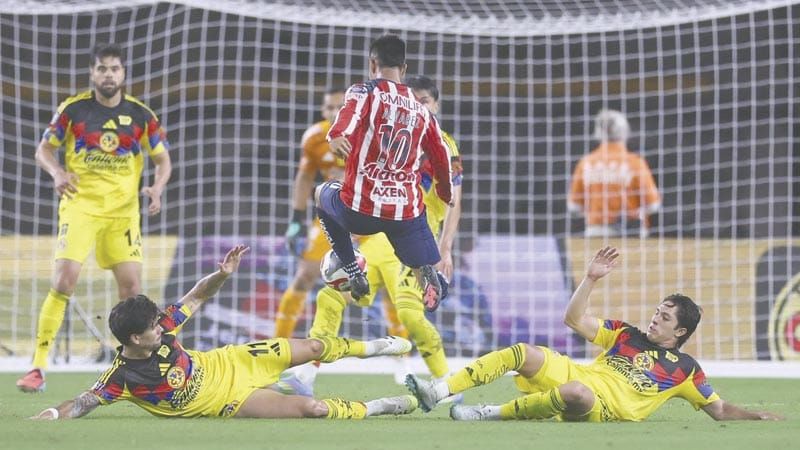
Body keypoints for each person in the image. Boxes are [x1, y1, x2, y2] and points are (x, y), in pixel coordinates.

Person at [30, 245, 418, 420]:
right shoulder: (121, 379)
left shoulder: (162, 326)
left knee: (315, 345)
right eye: (151, 327)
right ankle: (378, 407)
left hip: (234, 359)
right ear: (133, 339)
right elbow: (82, 402)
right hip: (229, 402)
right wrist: (50, 413)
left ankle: (377, 346)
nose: (160, 327)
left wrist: (222, 274)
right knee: (313, 409)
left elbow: (196, 296)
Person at [406, 247, 783, 422]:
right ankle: (438, 391)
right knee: (522, 351)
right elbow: (574, 320)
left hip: (602, 407)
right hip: (577, 373)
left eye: (664, 318)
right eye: (656, 312)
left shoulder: (685, 369)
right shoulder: (625, 334)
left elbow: (718, 409)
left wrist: (755, 416)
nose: (654, 320)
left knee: (575, 393)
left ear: (680, 331)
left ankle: (488, 414)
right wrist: (589, 279)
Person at [283, 75, 464, 393]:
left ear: (436, 105)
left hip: (412, 235)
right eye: (414, 99)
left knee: (410, 316)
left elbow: (454, 199)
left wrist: (445, 247)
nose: (418, 106)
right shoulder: (388, 133)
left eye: (425, 101)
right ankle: (306, 374)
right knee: (331, 296)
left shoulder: (444, 144)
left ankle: (447, 386)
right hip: (376, 237)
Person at [17, 43, 173, 393]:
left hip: (122, 214)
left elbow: (163, 160)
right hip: (80, 207)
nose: (108, 75)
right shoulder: (74, 111)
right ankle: (38, 367)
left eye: (115, 69)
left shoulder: (141, 116)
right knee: (64, 280)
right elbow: (43, 149)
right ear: (93, 73)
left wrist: (158, 187)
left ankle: (131, 367)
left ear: (123, 73)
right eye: (102, 69)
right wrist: (57, 173)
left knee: (132, 289)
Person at [315, 34, 453, 311]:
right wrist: (445, 191)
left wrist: (336, 134)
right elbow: (441, 155)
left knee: (322, 194)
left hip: (360, 211)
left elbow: (349, 115)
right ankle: (426, 274)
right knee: (414, 229)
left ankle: (353, 270)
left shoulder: (364, 92)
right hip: (405, 215)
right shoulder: (422, 112)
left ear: (372, 63)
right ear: (404, 68)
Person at [277, 88, 407, 341]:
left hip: (373, 216)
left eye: (340, 107)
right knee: (304, 276)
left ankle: (403, 355)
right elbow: (304, 176)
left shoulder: (372, 133)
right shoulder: (315, 138)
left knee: (390, 287)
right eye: (329, 108)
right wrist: (296, 219)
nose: (334, 113)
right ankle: (278, 343)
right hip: (333, 214)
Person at [568, 109, 660, 238]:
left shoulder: (586, 163)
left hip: (596, 233)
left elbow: (574, 207)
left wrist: (597, 212)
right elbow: (653, 205)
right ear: (625, 131)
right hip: (630, 234)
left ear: (597, 132)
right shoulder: (635, 163)